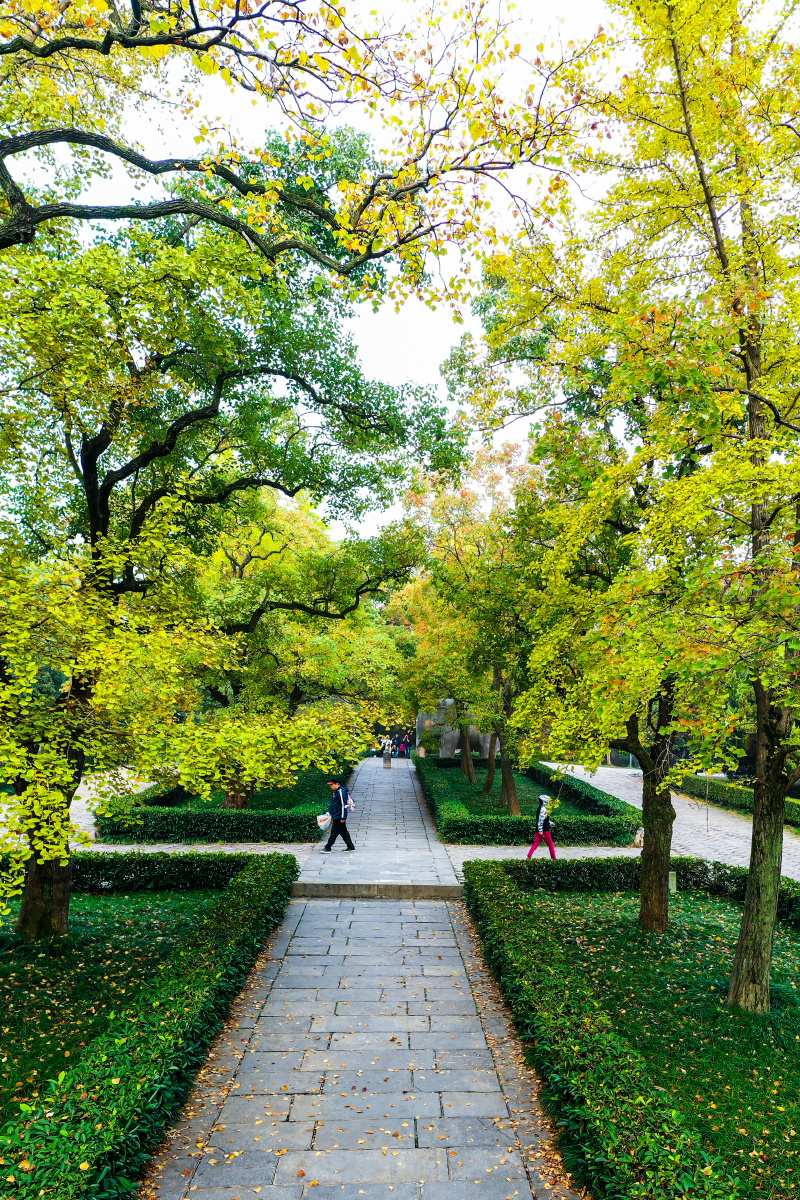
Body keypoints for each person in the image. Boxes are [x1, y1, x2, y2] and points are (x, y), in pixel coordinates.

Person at [322, 779, 355, 852]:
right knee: (343, 832)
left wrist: (343, 817)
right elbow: (336, 804)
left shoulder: (341, 792)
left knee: (334, 832)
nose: (331, 786)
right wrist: (331, 812)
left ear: (337, 784)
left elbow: (344, 805)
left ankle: (328, 847)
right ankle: (351, 846)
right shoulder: (337, 792)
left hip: (339, 815)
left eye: (332, 784)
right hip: (337, 814)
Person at [527, 794, 556, 860]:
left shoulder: (540, 808)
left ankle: (529, 857)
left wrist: (550, 823)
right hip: (544, 831)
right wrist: (541, 831)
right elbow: (541, 820)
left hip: (538, 830)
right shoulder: (543, 809)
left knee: (535, 844)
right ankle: (554, 858)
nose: (549, 802)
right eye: (548, 801)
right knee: (551, 845)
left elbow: (544, 819)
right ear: (544, 801)